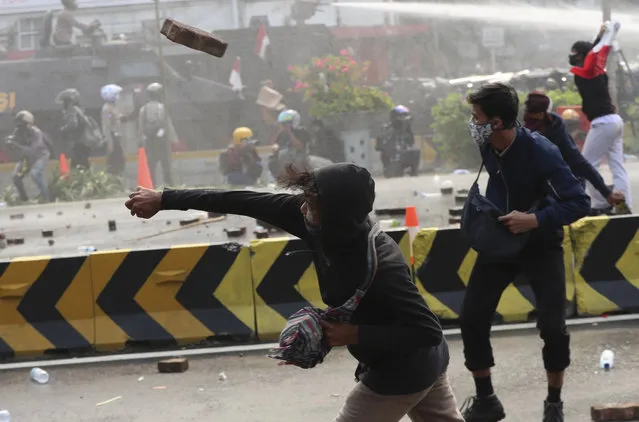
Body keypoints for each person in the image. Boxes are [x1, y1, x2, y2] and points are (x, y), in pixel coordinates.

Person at [125, 163, 464, 422]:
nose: (302, 209)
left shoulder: (383, 266)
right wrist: (165, 199)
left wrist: (354, 333)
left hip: (405, 371)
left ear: (338, 211)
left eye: (312, 204)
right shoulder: (314, 221)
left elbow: (426, 331)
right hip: (415, 365)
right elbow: (241, 200)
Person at [459, 83, 590, 422]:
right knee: (472, 317)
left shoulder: (541, 152)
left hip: (540, 243)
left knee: (553, 325)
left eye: (478, 117)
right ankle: (486, 400)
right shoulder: (486, 142)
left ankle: (554, 401)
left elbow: (579, 202)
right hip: (500, 241)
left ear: (498, 122)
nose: (472, 123)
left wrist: (535, 219)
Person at [523, 91, 626, 212]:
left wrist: (606, 192)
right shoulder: (522, 133)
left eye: (532, 114)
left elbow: (579, 162)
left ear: (541, 114)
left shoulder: (557, 132)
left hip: (563, 183)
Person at [569, 20, 632, 213]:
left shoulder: (583, 73)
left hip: (603, 123)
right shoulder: (598, 71)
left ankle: (604, 202)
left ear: (581, 57)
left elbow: (592, 53)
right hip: (615, 121)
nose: (571, 57)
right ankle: (624, 202)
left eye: (574, 53)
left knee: (586, 167)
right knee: (617, 166)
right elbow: (593, 52)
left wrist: (603, 36)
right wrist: (602, 35)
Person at [6, 111, 52, 203]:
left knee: (35, 173)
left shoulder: (36, 132)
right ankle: (24, 199)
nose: (19, 127)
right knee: (16, 176)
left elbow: (32, 150)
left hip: (40, 155)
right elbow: (13, 141)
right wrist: (9, 141)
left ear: (28, 124)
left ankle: (47, 197)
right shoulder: (18, 131)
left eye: (21, 124)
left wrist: (17, 145)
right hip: (27, 158)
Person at [138, 82, 177, 186]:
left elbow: (141, 127)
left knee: (151, 164)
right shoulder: (161, 107)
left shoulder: (143, 109)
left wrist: (141, 141)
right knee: (165, 162)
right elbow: (167, 124)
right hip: (161, 139)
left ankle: (152, 185)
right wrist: (174, 140)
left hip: (149, 140)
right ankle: (169, 184)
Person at [376, 105, 420, 177]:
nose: (405, 121)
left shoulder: (408, 133)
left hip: (404, 159)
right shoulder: (388, 130)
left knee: (416, 152)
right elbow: (381, 146)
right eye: (402, 117)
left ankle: (413, 172)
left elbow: (411, 144)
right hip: (392, 161)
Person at [268, 109, 311, 178]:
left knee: (297, 160)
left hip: (299, 153)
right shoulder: (282, 133)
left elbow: (299, 146)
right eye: (284, 123)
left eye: (287, 123)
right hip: (287, 153)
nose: (285, 125)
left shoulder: (301, 131)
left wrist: (289, 132)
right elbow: (273, 143)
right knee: (274, 160)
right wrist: (278, 131)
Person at [56, 88, 90, 169]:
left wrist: (62, 129)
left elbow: (73, 124)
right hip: (84, 142)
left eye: (64, 101)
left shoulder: (71, 110)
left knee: (77, 165)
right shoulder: (79, 109)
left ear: (68, 101)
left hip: (78, 141)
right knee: (83, 163)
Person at [100, 84, 126, 176]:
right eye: (116, 94)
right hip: (112, 136)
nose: (118, 97)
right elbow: (107, 126)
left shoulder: (113, 108)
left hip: (116, 136)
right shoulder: (106, 109)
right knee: (114, 161)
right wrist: (109, 142)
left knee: (119, 160)